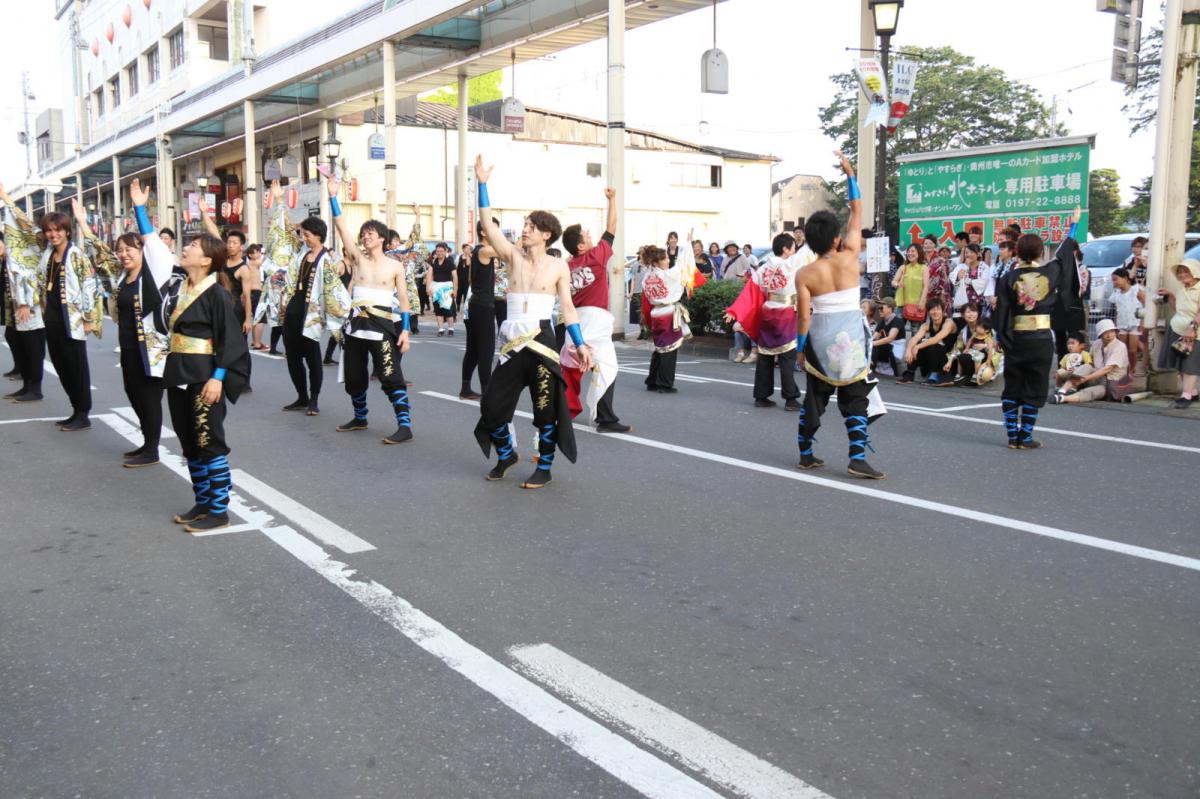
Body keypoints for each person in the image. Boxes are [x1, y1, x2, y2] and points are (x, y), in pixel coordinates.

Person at [472, 155, 592, 489]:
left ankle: (545, 468)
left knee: (545, 410)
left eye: (531, 227)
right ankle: (506, 454)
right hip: (513, 342)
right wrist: (482, 185)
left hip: (542, 341)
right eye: (525, 225)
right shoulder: (512, 256)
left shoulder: (558, 266)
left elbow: (567, 308)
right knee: (491, 406)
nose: (524, 230)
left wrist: (580, 343)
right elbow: (488, 226)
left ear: (546, 235)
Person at [794, 151, 886, 480]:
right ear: (836, 237)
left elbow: (803, 318)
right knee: (855, 396)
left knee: (815, 398)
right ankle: (856, 457)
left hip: (820, 338)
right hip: (851, 337)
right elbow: (857, 210)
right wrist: (849, 173)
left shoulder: (804, 274)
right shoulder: (849, 257)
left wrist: (800, 349)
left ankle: (806, 454)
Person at [74, 188, 180, 466]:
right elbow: (100, 253)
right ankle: (146, 442)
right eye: (120, 250)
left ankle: (152, 450)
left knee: (149, 398)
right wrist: (83, 224)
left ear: (142, 250)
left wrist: (140, 209)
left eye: (129, 250)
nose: (123, 255)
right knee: (134, 394)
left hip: (151, 351)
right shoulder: (122, 277)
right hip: (129, 348)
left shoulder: (155, 273)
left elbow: (153, 243)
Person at [160, 225, 250, 533]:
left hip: (204, 375)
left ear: (207, 260)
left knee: (209, 441)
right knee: (188, 441)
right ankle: (202, 502)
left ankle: (219, 510)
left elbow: (230, 341)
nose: (185, 249)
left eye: (193, 246)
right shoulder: (180, 288)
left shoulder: (217, 294)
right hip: (178, 372)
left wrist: (218, 377)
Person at [0, 185, 102, 430]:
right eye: (49, 231)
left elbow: (90, 286)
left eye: (58, 230)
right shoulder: (47, 254)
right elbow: (26, 227)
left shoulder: (75, 255)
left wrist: (89, 318)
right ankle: (75, 410)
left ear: (67, 231)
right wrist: (7, 200)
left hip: (72, 322)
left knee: (77, 369)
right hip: (51, 320)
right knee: (62, 367)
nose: (53, 235)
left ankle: (83, 413)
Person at [326, 176, 414, 444]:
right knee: (354, 376)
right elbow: (342, 227)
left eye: (370, 234)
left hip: (382, 324)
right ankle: (360, 417)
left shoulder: (395, 266)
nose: (365, 237)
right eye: (363, 234)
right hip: (355, 327)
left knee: (390, 375)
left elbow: (404, 301)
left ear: (382, 238)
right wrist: (333, 196)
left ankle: (405, 426)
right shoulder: (357, 259)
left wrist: (405, 331)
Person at [993, 208, 1083, 449]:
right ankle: (1026, 436)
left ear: (1017, 252)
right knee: (1035, 385)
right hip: (1041, 339)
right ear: (1041, 252)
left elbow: (1001, 311)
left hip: (1016, 339)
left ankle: (1012, 436)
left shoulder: (1008, 278)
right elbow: (1065, 252)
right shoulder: (1050, 272)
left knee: (1013, 386)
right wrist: (1073, 225)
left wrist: (1000, 337)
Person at [560, 187, 631, 432]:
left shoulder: (566, 266)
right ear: (581, 246)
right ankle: (604, 418)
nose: (590, 236)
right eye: (586, 235)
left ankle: (565, 413)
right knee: (605, 367)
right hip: (595, 319)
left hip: (574, 322)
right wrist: (612, 200)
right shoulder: (596, 256)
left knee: (572, 370)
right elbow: (611, 228)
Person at [277, 182, 350, 416]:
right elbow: (285, 231)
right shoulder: (301, 254)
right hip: (293, 310)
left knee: (312, 357)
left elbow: (336, 283)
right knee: (293, 357)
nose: (304, 238)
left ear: (318, 236)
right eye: (303, 234)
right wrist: (279, 201)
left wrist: (341, 265)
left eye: (307, 235)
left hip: (312, 315)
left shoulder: (328, 259)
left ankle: (314, 399)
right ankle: (301, 396)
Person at [725, 232, 802, 410]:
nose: (795, 251)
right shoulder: (791, 264)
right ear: (786, 249)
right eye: (793, 247)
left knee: (765, 355)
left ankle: (761, 396)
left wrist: (735, 310)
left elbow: (750, 292)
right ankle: (790, 398)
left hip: (767, 311)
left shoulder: (764, 267)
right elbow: (808, 254)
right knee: (787, 356)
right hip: (785, 312)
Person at [1, 194, 47, 403]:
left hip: (32, 304)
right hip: (18, 304)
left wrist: (7, 199)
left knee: (33, 346)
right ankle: (27, 384)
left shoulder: (36, 244)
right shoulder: (16, 252)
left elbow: (26, 224)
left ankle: (35, 388)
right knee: (22, 344)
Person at [460, 217, 502, 400]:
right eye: (494, 229)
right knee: (486, 350)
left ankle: (466, 389)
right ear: (484, 232)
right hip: (483, 306)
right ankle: (487, 393)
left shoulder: (478, 251)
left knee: (474, 350)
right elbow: (507, 250)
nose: (497, 233)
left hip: (476, 304)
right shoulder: (484, 251)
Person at [640, 246, 689, 393]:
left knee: (660, 348)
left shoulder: (647, 276)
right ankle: (664, 383)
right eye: (665, 259)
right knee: (669, 349)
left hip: (656, 312)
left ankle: (652, 381)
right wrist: (687, 246)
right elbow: (681, 267)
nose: (668, 261)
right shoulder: (665, 275)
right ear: (656, 262)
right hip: (667, 312)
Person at [1052, 319, 1130, 404]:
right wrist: (1075, 370)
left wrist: (1085, 379)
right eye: (1105, 332)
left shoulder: (1120, 346)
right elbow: (1089, 361)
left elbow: (1107, 369)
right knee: (1087, 366)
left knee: (1092, 392)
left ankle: (1063, 398)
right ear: (1100, 334)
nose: (1109, 335)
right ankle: (1063, 390)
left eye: (1112, 331)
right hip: (1096, 377)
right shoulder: (1097, 344)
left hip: (1110, 383)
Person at [1156, 259, 1200, 408]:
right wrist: (1171, 296)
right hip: (1176, 329)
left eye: (1186, 271)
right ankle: (1192, 392)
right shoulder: (1182, 289)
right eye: (1179, 272)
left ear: (1195, 271)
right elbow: (1179, 309)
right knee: (1180, 363)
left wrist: (1192, 328)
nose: (1182, 274)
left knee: (1190, 365)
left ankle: (1186, 396)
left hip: (1194, 333)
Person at [899, 299, 955, 384]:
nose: (935, 312)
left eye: (938, 309)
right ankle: (910, 374)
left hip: (950, 357)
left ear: (943, 311)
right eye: (932, 309)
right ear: (928, 312)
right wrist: (909, 350)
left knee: (930, 344)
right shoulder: (926, 325)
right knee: (916, 345)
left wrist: (917, 347)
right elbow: (915, 338)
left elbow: (936, 339)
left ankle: (935, 375)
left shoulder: (948, 323)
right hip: (934, 355)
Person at [941, 304, 998, 386]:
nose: (971, 314)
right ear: (962, 315)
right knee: (960, 357)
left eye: (974, 311)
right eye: (968, 312)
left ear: (978, 313)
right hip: (971, 355)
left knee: (970, 357)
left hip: (986, 358)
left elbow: (996, 346)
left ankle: (971, 377)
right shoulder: (963, 331)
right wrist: (949, 361)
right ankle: (963, 377)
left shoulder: (986, 326)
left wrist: (985, 346)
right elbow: (957, 348)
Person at [1110, 267, 1145, 373]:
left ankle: (1133, 369)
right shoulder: (1116, 294)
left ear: (1125, 278)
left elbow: (1146, 304)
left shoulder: (1135, 290)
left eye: (1116, 279)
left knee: (1133, 351)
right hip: (1122, 324)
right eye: (1113, 280)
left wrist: (1142, 321)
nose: (1114, 282)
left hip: (1135, 323)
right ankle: (1127, 369)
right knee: (1123, 350)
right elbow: (1117, 311)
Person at [950, 244, 994, 318]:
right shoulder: (961, 266)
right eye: (966, 252)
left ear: (978, 254)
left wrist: (968, 281)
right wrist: (963, 270)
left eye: (972, 252)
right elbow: (953, 277)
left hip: (978, 301)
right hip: (963, 300)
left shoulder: (984, 267)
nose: (969, 255)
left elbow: (983, 283)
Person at [892, 243, 928, 331]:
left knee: (915, 331)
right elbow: (893, 281)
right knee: (898, 331)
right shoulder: (903, 267)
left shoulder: (924, 268)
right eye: (908, 251)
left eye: (913, 251)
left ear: (919, 253)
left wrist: (922, 302)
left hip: (917, 305)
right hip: (901, 305)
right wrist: (897, 284)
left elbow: (926, 286)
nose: (910, 253)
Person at [426, 242, 457, 335]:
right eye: (438, 251)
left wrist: (455, 290)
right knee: (438, 309)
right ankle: (441, 329)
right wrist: (428, 288)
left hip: (447, 288)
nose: (439, 253)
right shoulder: (433, 262)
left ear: (445, 251)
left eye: (441, 251)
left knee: (447, 309)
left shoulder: (450, 262)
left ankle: (451, 328)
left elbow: (455, 277)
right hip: (436, 286)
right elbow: (429, 275)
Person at [870, 297, 905, 377]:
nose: (879, 310)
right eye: (878, 308)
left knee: (875, 345)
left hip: (896, 350)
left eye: (881, 308)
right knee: (872, 344)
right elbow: (875, 336)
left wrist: (872, 343)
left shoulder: (897, 321)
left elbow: (890, 338)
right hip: (888, 348)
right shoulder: (882, 322)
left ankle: (871, 370)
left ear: (890, 308)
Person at [922, 235, 954, 313]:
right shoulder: (920, 260)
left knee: (937, 316)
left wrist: (943, 293)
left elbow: (945, 278)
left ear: (935, 245)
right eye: (926, 243)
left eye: (931, 243)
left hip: (938, 294)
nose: (928, 245)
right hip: (922, 294)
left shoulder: (941, 260)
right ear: (923, 245)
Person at [246, 244, 268, 350]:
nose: (259, 254)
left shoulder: (250, 263)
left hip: (253, 293)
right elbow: (266, 258)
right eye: (256, 252)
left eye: (259, 251)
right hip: (256, 292)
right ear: (250, 255)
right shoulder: (253, 262)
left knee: (256, 318)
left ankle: (255, 341)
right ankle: (257, 344)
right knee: (260, 319)